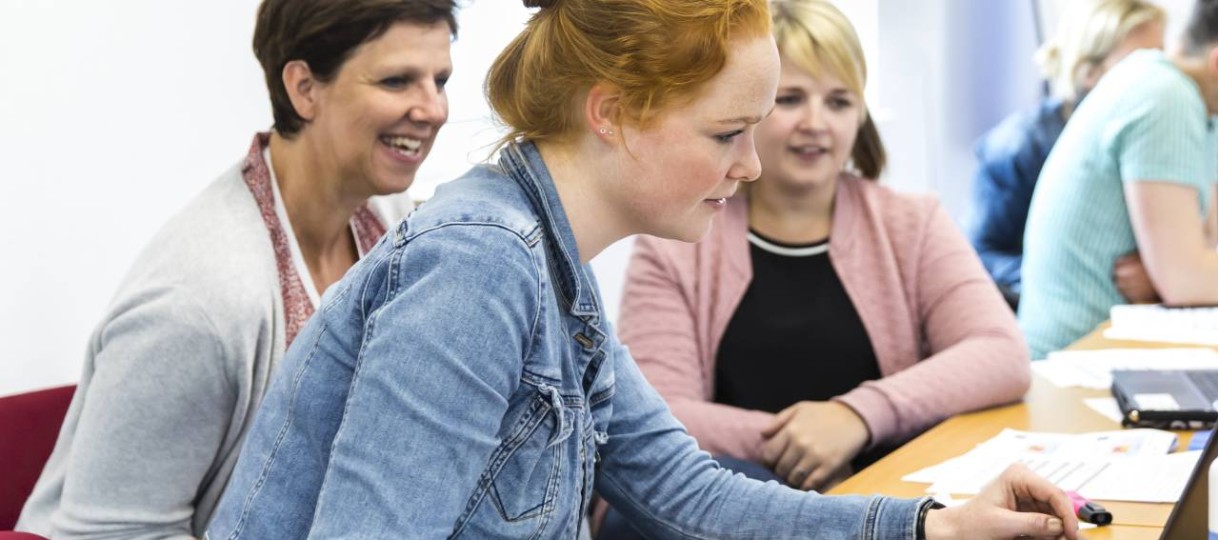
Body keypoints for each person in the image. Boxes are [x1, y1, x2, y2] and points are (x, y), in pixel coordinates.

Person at [200, 0, 1079, 538]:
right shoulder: (478, 267)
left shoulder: (549, 258)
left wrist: (936, 525)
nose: (752, 167)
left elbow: (683, 493)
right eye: (727, 133)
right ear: (614, 114)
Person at [17, 1, 453, 537]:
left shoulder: (385, 221)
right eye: (397, 81)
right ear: (304, 88)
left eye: (441, 80)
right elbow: (108, 534)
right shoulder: (198, 304)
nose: (434, 109)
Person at [618, 0, 1029, 494]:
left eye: (839, 101)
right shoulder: (673, 241)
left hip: (880, 490)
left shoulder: (912, 221)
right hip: (723, 496)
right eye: (790, 100)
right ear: (745, 115)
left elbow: (1001, 352)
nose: (817, 122)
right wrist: (808, 448)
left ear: (860, 116)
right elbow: (659, 416)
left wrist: (854, 418)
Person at [1016, 0, 1218, 357]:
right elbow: (1188, 282)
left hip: (1115, 345)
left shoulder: (1198, 102)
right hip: (1074, 362)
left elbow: (1204, 249)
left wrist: (1177, 272)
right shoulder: (1165, 97)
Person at [967, 0, 1171, 304]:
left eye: (1161, 60)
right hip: (1055, 314)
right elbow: (981, 255)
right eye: (1138, 65)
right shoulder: (1020, 145)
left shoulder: (1157, 130)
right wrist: (1081, 280)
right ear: (1088, 72)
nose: (1158, 78)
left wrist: (1159, 269)